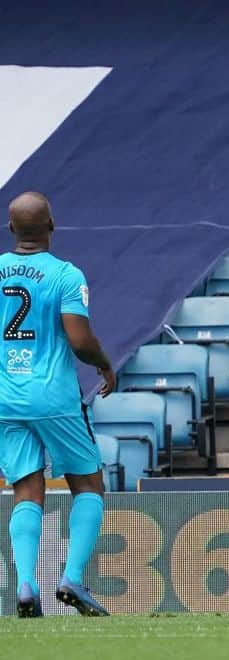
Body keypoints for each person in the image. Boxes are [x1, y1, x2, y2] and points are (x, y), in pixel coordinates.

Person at [1, 192, 115, 618]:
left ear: (11, 229)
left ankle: (27, 586)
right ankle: (71, 578)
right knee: (88, 484)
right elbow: (80, 339)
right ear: (52, 224)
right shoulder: (66, 275)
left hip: (6, 400)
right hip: (55, 398)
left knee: (25, 490)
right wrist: (104, 365)